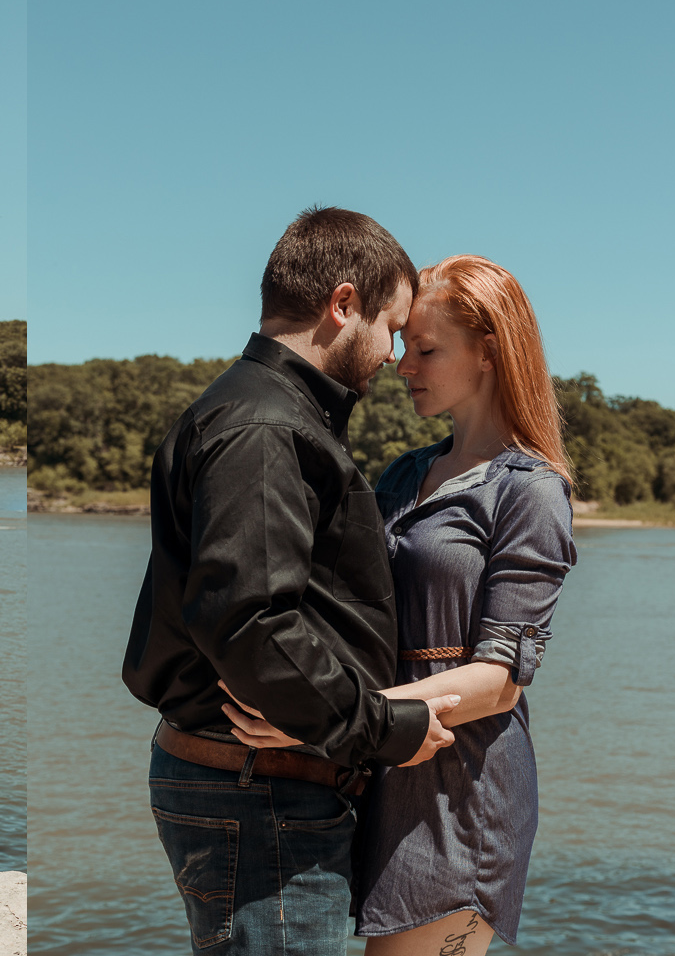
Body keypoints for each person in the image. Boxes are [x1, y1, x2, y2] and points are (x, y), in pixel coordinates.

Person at [122, 207, 462, 955]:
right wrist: (382, 729)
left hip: (258, 784)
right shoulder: (269, 427)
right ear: (343, 305)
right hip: (260, 790)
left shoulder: (261, 412)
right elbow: (250, 623)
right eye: (391, 327)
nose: (393, 355)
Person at [223, 254, 576, 954]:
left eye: (427, 348)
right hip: (378, 771)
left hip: (459, 791)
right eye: (405, 344)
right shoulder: (403, 472)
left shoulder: (530, 490)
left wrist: (325, 722)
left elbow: (499, 682)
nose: (402, 364)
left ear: (489, 350)